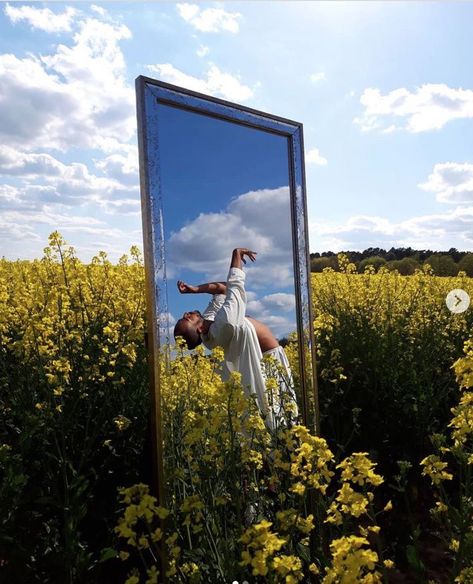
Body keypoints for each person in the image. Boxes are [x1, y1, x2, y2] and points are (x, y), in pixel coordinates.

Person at [173, 247, 298, 428]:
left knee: (282, 415)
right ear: (198, 330)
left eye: (184, 315)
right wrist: (236, 255)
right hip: (270, 361)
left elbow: (222, 289)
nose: (187, 312)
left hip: (269, 358)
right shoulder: (223, 326)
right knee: (283, 419)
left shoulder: (209, 321)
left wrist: (194, 290)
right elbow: (235, 289)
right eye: (187, 318)